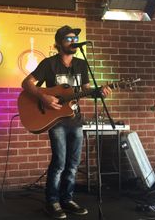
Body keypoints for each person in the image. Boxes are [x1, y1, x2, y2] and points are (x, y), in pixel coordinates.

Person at [21, 25, 112, 219]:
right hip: (56, 120)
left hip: (75, 119)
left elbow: (86, 90)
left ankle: (67, 199)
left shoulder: (81, 64)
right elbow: (26, 84)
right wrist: (44, 97)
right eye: (68, 39)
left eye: (74, 39)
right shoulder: (49, 64)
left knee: (73, 163)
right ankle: (52, 202)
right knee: (60, 162)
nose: (73, 42)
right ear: (58, 44)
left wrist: (99, 93)